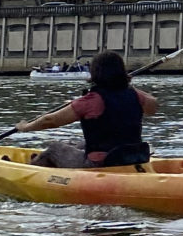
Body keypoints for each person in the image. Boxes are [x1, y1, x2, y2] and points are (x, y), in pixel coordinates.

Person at [16, 50, 158, 168]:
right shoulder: (135, 95)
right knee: (77, 144)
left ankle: (30, 167)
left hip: (101, 163)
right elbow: (153, 106)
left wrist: (26, 127)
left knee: (54, 148)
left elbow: (50, 120)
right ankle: (42, 162)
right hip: (134, 157)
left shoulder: (92, 100)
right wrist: (128, 86)